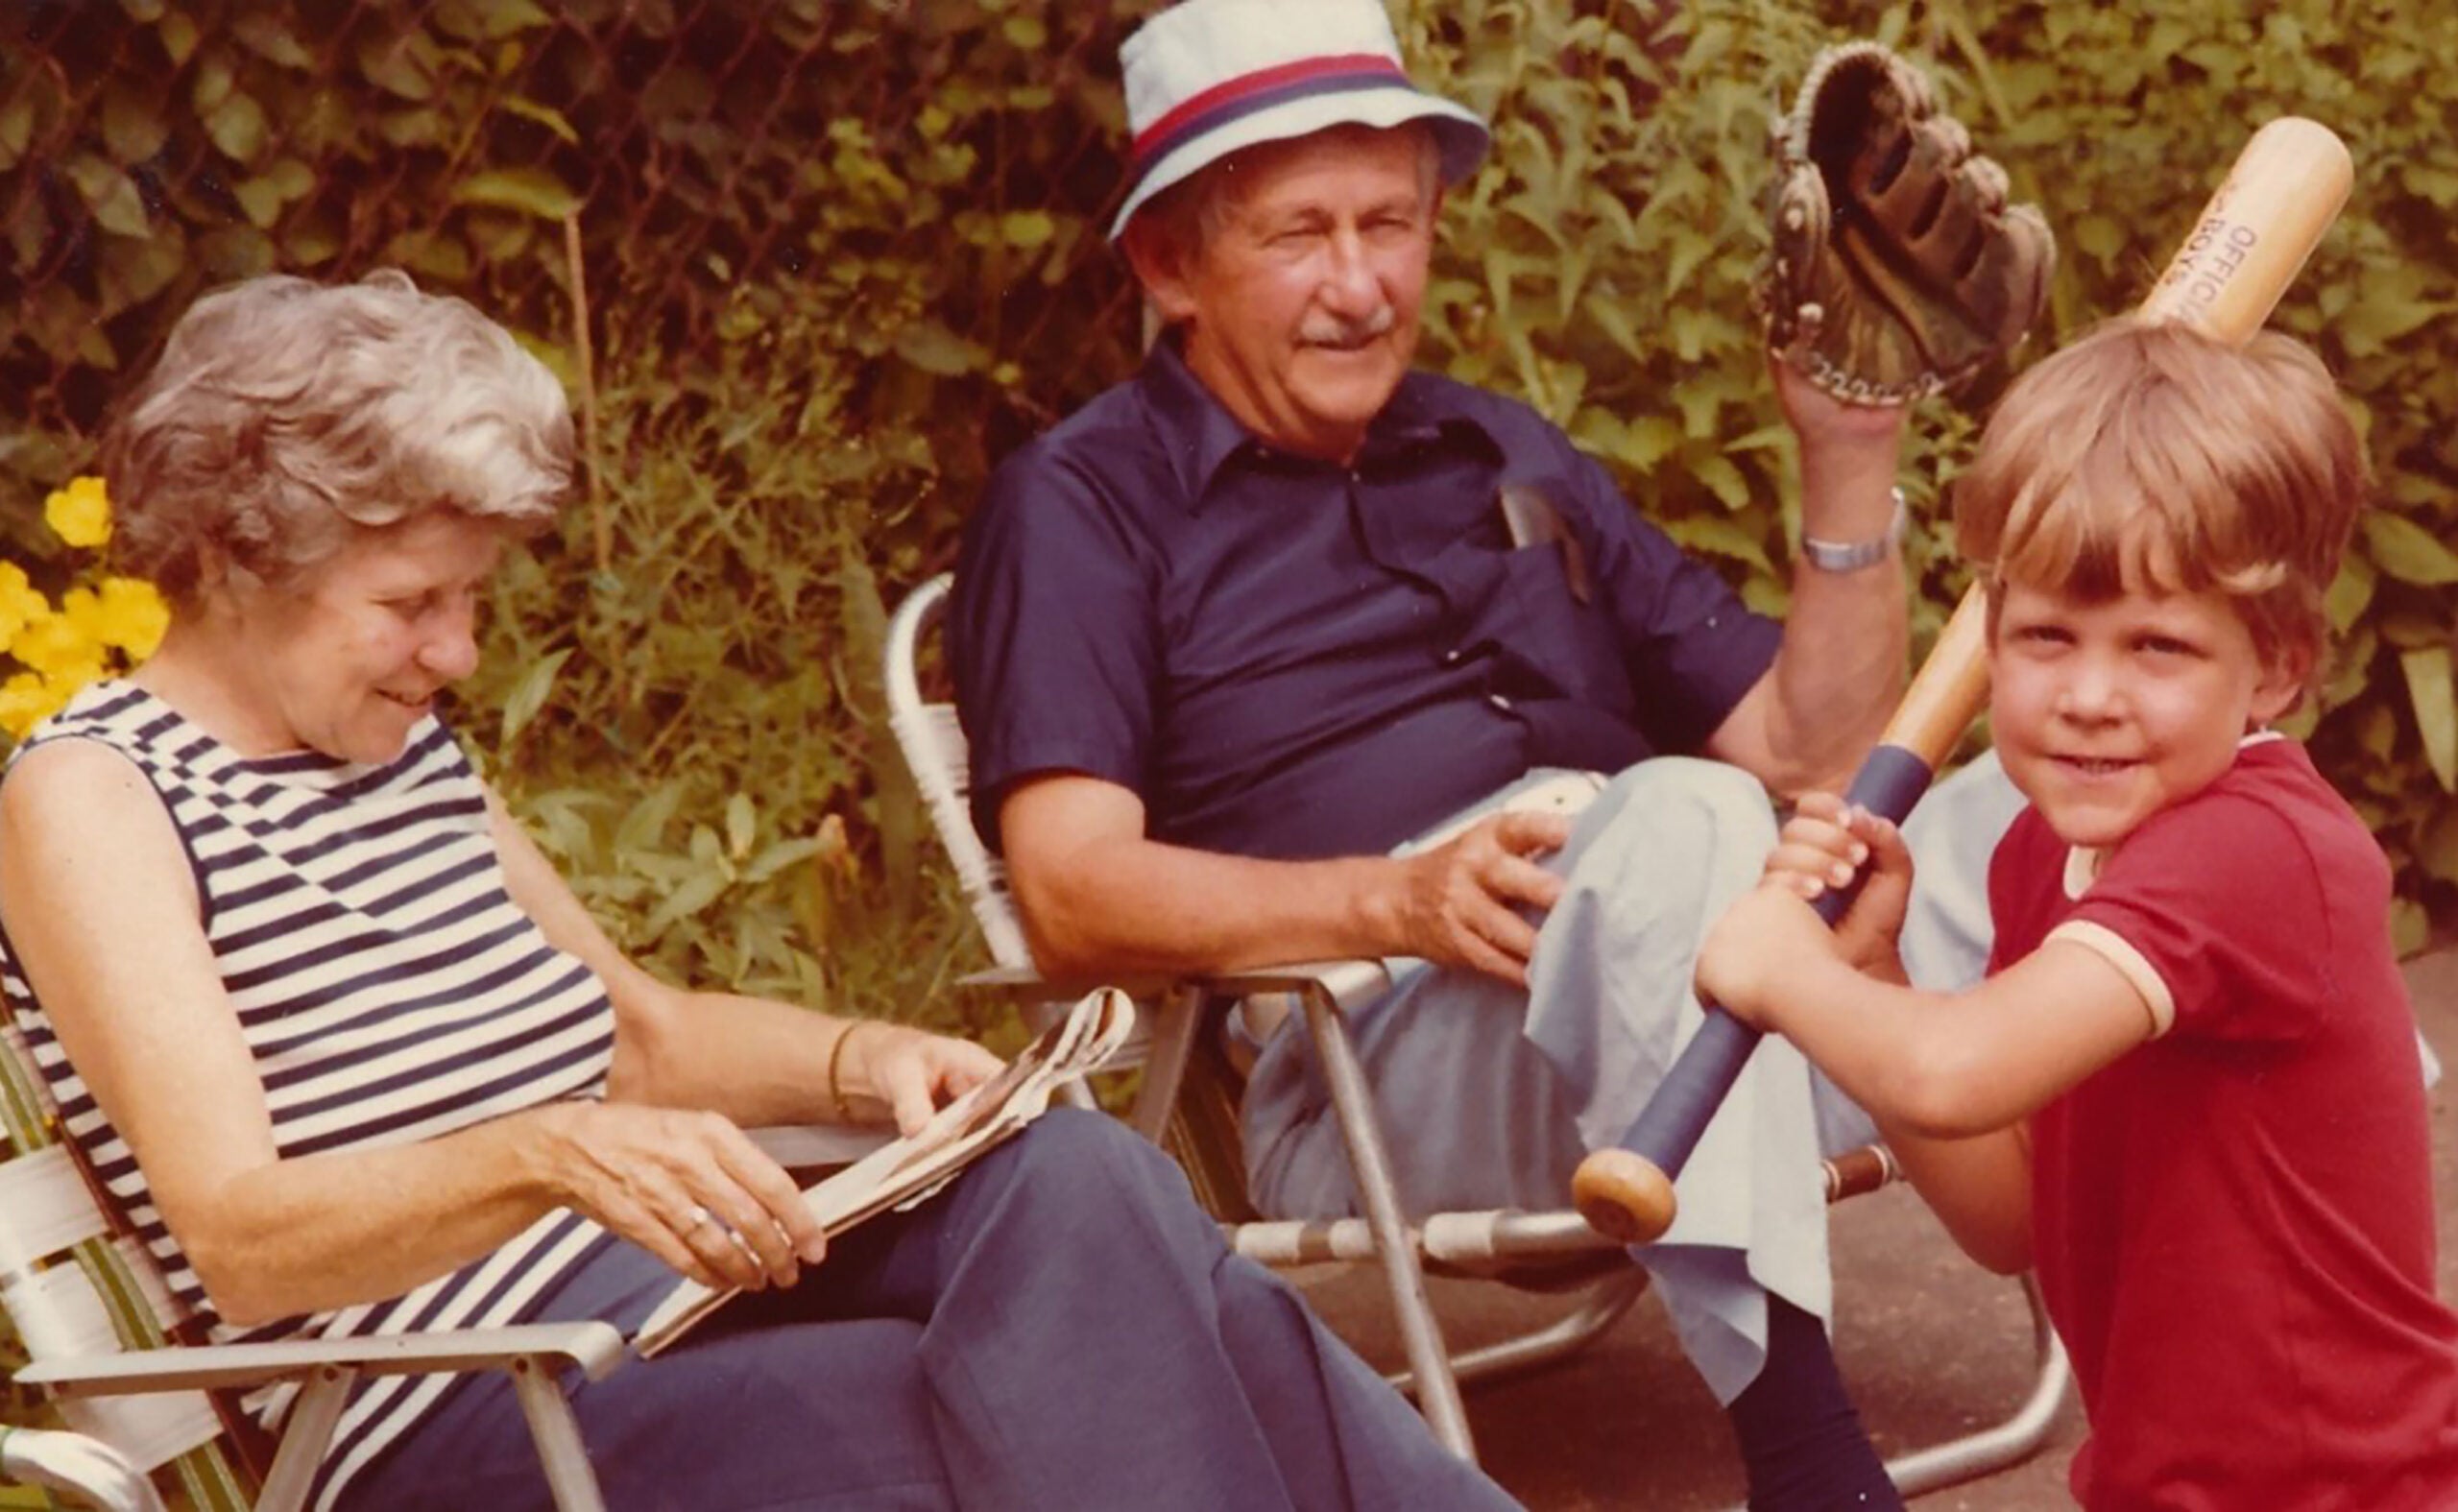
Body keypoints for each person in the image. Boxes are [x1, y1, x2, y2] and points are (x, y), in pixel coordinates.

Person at [0, 271, 1525, 1512]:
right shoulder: (96, 796)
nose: (457, 651)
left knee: (1083, 1177)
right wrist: (547, 1152)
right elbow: (245, 1234)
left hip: (671, 1299)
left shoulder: (403, 748)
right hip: (461, 1401)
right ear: (236, 557)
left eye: (471, 599)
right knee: (1043, 1386)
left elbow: (643, 1038)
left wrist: (870, 1062)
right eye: (412, 603)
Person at [949, 0, 2023, 1505]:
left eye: (1391, 221)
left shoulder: (1501, 444)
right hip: (1388, 1048)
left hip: (1704, 958)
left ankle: (2260, 1339)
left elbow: (1820, 751)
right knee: (1687, 822)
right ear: (1168, 264)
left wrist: (1848, 451)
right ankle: (1811, 1463)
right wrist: (1391, 901)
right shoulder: (1082, 510)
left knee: (2066, 789)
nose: (1359, 282)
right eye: (1299, 233)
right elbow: (1069, 893)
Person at [1696, 320, 2458, 1507]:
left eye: (2157, 647)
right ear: (1989, 634)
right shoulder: (2041, 847)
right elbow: (2011, 1218)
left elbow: (1954, 1074)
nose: (2090, 698)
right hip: (2160, 1481)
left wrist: (1786, 971)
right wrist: (1876, 974)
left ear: (2274, 670)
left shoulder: (2252, 852)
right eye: (2047, 636)